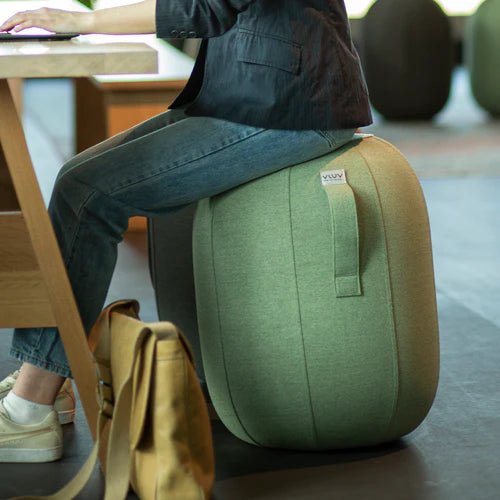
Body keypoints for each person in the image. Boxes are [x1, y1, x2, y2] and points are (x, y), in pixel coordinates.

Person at [0, 0, 371, 463]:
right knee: (76, 179)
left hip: (292, 107)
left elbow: (205, 9)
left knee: (89, 195)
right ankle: (47, 379)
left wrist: (83, 20)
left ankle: (30, 409)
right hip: (254, 93)